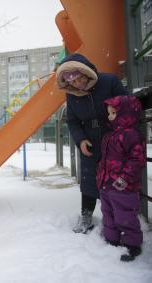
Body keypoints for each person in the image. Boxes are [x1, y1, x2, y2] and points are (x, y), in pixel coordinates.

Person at [56, 53, 128, 233]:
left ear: (85, 71)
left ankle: (116, 217)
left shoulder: (109, 82)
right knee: (88, 180)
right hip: (89, 142)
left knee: (114, 180)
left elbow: (126, 106)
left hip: (112, 139)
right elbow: (72, 121)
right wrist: (80, 140)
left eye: (78, 79)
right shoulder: (72, 95)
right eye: (72, 83)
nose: (77, 84)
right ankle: (86, 216)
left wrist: (119, 133)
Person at [97, 95, 146, 262]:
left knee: (124, 215)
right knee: (108, 213)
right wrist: (101, 177)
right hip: (107, 185)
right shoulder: (109, 135)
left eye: (113, 113)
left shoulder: (132, 135)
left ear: (126, 114)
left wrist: (124, 179)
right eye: (109, 114)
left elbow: (137, 160)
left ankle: (132, 245)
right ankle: (112, 240)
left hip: (123, 187)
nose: (110, 117)